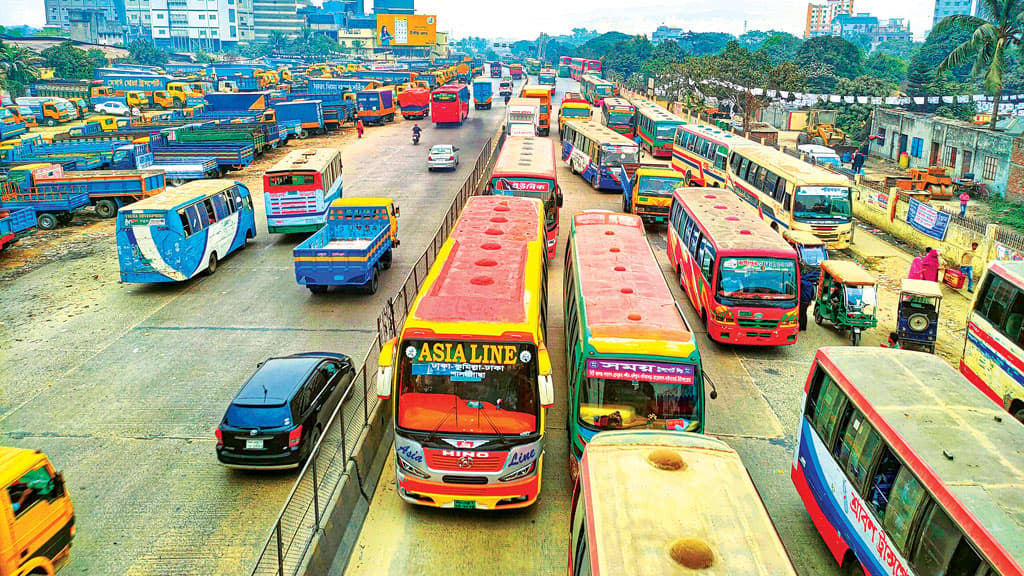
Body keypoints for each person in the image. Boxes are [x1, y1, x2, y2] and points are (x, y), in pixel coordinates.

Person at [799, 265, 816, 331]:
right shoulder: (810, 284)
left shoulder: (802, 282)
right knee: (804, 313)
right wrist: (810, 300)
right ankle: (804, 327)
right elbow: (812, 293)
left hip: (802, 300)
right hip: (807, 301)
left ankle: (800, 328)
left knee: (800, 314)